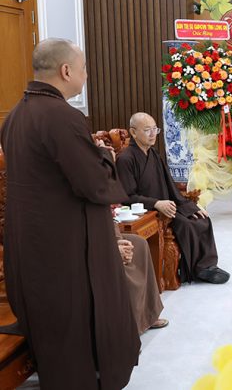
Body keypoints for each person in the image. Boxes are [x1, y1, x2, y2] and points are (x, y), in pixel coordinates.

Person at [0, 38, 140, 389]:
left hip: (31, 238)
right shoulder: (62, 116)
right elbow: (94, 184)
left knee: (53, 324)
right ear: (66, 71)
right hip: (65, 243)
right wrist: (105, 156)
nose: (86, 75)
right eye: (83, 69)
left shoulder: (15, 115)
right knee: (74, 318)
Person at [116, 112, 229, 284]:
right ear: (133, 132)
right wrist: (156, 203)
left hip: (166, 204)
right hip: (148, 210)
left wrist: (190, 206)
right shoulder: (125, 159)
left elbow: (169, 185)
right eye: (147, 130)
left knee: (202, 219)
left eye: (155, 129)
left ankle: (207, 266)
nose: (153, 134)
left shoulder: (154, 154)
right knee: (186, 225)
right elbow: (127, 197)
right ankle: (195, 270)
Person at [115, 224, 168, 333]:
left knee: (140, 243)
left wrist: (118, 240)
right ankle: (131, 327)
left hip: (107, 236)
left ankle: (149, 316)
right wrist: (112, 249)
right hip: (91, 245)